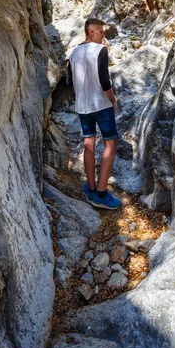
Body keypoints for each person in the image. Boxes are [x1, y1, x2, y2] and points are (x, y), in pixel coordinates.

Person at [67, 18, 121, 210]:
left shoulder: (73, 53)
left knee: (88, 143)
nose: (103, 36)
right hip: (100, 104)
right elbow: (104, 81)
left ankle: (90, 188)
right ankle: (101, 193)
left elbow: (69, 81)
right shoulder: (100, 51)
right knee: (110, 142)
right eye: (100, 32)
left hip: (83, 106)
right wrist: (112, 98)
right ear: (91, 31)